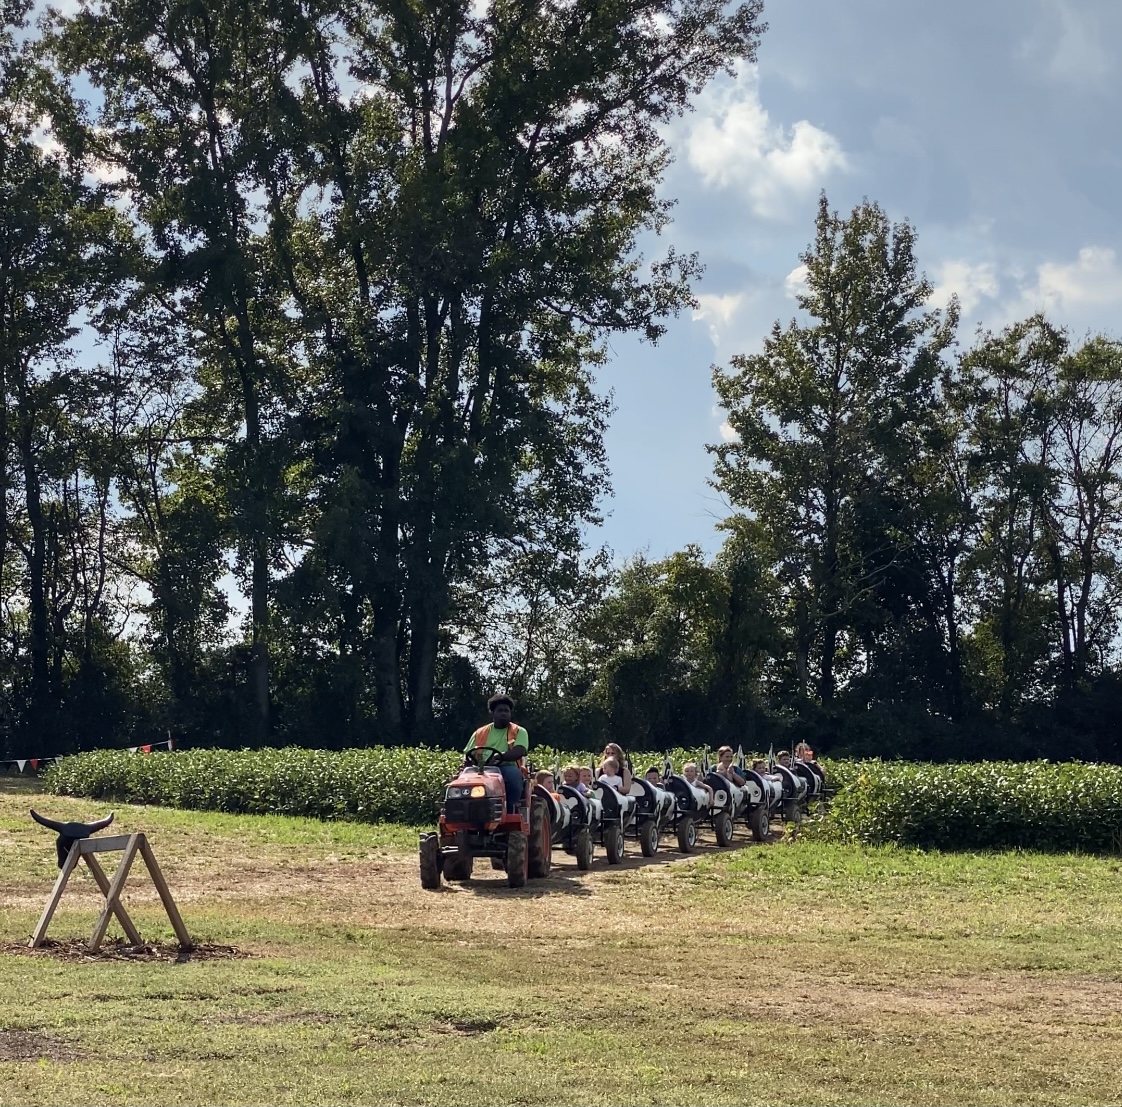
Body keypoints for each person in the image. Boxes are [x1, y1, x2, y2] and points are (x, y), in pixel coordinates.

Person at [465, 694, 529, 814]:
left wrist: (500, 757)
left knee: (513, 775)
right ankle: (465, 812)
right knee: (460, 781)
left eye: (506, 711)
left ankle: (511, 809)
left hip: (506, 767)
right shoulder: (480, 733)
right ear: (492, 713)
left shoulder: (519, 731)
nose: (504, 713)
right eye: (500, 711)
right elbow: (468, 753)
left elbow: (519, 750)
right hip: (481, 768)